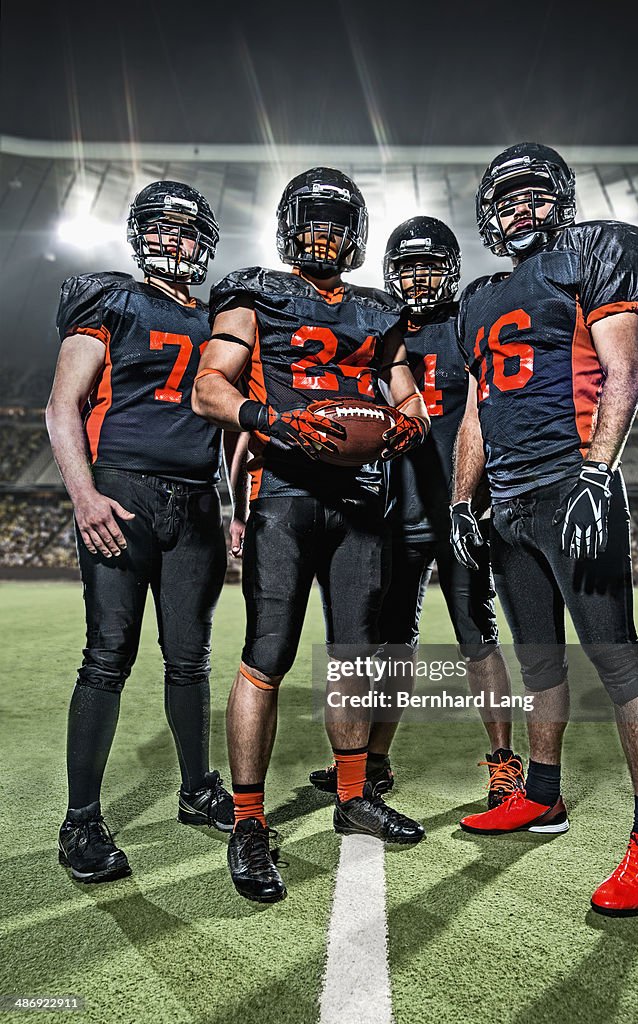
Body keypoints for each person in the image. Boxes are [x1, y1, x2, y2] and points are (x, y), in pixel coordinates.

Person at [451, 143, 638, 916]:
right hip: (510, 503)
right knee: (540, 662)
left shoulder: (595, 253)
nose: (520, 209)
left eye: (533, 196)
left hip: (571, 486)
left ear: (561, 200)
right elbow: (479, 408)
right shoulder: (479, 298)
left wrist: (596, 473)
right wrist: (462, 501)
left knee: (617, 661)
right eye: (506, 199)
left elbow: (626, 370)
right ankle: (541, 795)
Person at [193, 167, 430, 904]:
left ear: (355, 232)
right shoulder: (254, 292)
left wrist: (406, 424)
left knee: (354, 657)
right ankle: (249, 820)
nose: (323, 234)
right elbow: (210, 388)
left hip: (361, 500)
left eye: (336, 221)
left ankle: (354, 795)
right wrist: (274, 422)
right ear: (290, 226)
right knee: (267, 655)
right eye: (313, 220)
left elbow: (409, 397)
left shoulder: (378, 309)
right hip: (286, 494)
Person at [46, 181, 233, 884]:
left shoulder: (221, 317)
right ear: (139, 236)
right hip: (121, 491)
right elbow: (63, 407)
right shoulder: (112, 300)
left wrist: (239, 502)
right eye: (156, 229)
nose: (169, 241)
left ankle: (196, 789)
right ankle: (81, 822)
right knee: (107, 656)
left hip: (195, 503)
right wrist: (85, 494)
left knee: (190, 658)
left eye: (183, 230)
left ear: (204, 241)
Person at [309, 216, 523, 807]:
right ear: (388, 272)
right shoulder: (376, 327)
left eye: (430, 266)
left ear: (452, 270)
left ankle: (503, 765)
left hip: (460, 511)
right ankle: (373, 762)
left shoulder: (467, 325)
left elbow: (493, 413)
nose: (419, 278)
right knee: (390, 646)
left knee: (477, 640)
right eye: (407, 267)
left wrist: (480, 499)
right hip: (391, 513)